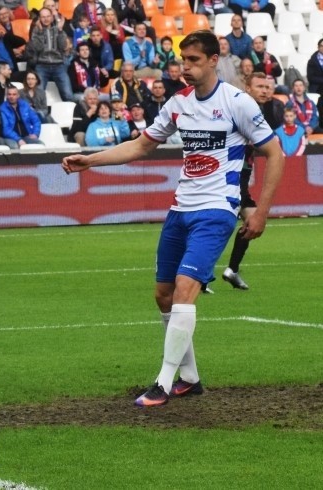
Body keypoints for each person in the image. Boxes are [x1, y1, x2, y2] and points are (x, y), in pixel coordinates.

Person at [61, 31, 284, 407]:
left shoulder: (238, 103)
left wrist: (260, 211)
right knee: (163, 294)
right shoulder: (178, 103)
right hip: (181, 208)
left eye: (194, 60)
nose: (186, 68)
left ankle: (163, 383)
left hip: (217, 208)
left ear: (214, 60)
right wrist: (90, 160)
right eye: (184, 60)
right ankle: (190, 377)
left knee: (184, 288)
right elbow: (141, 145)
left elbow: (274, 154)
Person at [221, 71, 283, 290]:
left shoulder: (267, 109)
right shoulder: (241, 107)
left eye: (268, 87)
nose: (265, 90)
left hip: (242, 177)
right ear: (248, 88)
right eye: (260, 86)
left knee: (251, 223)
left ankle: (232, 270)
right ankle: (199, 274)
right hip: (229, 176)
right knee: (219, 225)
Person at [26, 8, 73, 102]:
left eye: (48, 16)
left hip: (58, 65)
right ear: (39, 18)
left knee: (68, 95)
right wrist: (40, 32)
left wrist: (60, 30)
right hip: (42, 65)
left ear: (52, 17)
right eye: (43, 17)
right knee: (38, 95)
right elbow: (37, 48)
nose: (46, 19)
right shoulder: (36, 31)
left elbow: (63, 46)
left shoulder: (58, 29)